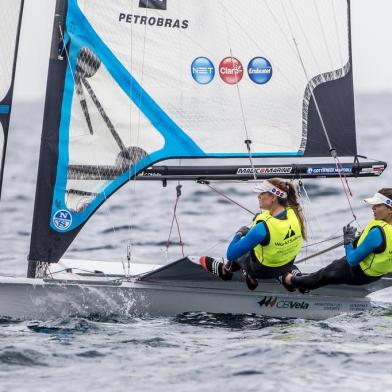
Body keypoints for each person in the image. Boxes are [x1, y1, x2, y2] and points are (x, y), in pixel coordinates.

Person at [199, 178, 306, 290]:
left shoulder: (262, 228)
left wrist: (239, 233)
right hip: (285, 264)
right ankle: (288, 278)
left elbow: (230, 253)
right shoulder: (295, 212)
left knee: (242, 251)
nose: (258, 196)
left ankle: (226, 271)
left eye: (261, 194)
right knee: (272, 248)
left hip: (263, 270)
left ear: (273, 197)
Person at [284, 188, 392, 292]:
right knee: (328, 269)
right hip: (375, 276)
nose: (373, 208)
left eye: (378, 205)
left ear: (390, 209)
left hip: (355, 272)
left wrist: (348, 241)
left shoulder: (377, 232)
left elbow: (352, 260)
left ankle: (291, 280)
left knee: (320, 277)